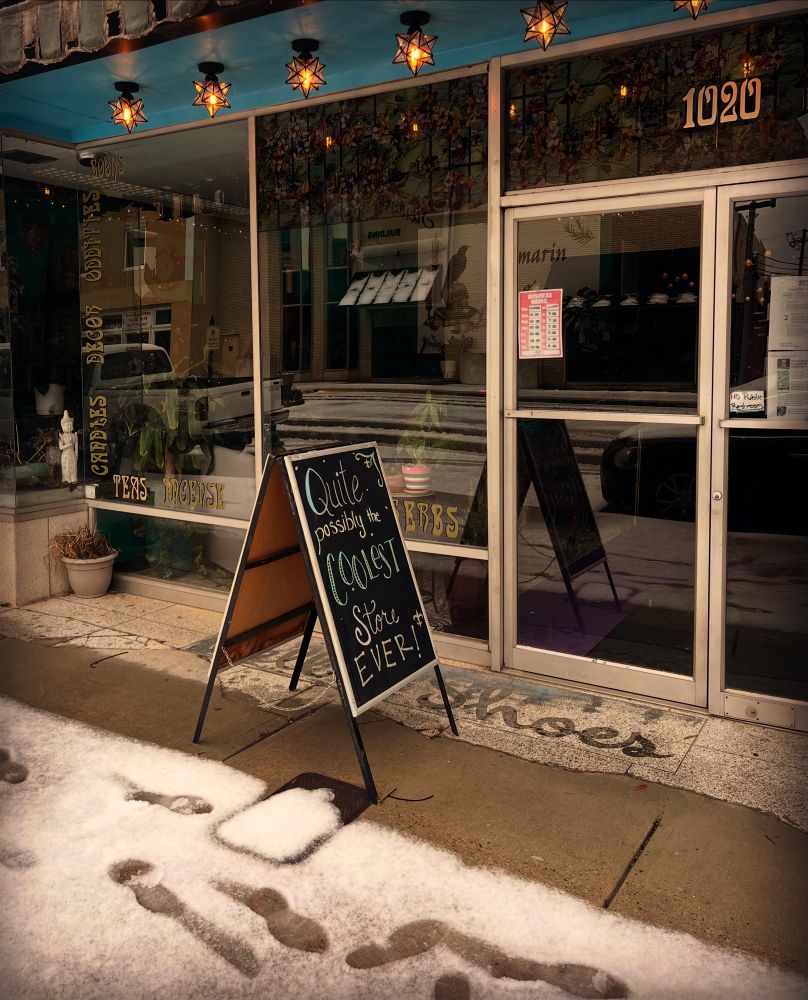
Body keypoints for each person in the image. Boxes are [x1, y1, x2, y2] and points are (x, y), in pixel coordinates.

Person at [58, 409, 78, 485]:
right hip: (65, 454)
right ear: (63, 427)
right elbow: (60, 447)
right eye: (67, 425)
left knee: (73, 467)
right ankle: (66, 479)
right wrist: (68, 445)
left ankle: (73, 479)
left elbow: (76, 445)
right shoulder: (61, 436)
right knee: (66, 468)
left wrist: (76, 454)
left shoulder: (74, 435)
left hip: (72, 454)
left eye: (70, 425)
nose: (69, 427)